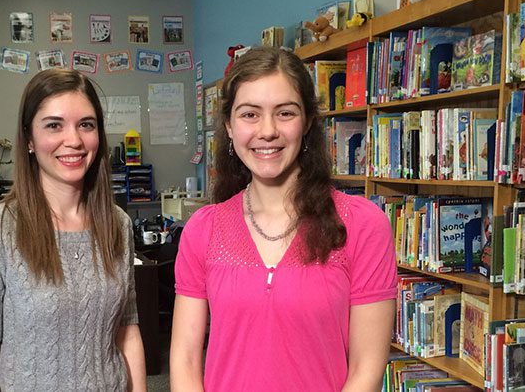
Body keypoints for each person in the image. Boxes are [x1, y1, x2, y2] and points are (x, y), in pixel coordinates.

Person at [170, 47, 397, 391]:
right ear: (229, 126)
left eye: (285, 113)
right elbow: (185, 360)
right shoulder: (204, 229)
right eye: (250, 114)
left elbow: (366, 369)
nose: (268, 131)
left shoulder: (362, 225)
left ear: (307, 122)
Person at [0, 68, 146, 391]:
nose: (73, 140)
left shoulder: (117, 224)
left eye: (86, 124)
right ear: (29, 139)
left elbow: (127, 333)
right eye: (54, 125)